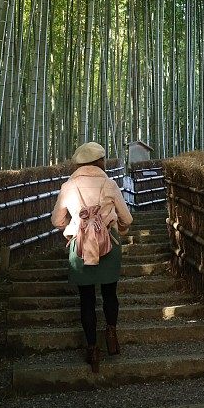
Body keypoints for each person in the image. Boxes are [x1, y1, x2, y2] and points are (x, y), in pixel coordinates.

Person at [51, 142, 133, 373]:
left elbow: (57, 221)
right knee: (110, 294)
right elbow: (127, 218)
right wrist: (119, 229)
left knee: (86, 299)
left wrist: (77, 226)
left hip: (80, 249)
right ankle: (111, 333)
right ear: (100, 161)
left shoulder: (68, 187)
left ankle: (92, 348)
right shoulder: (109, 184)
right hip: (109, 245)